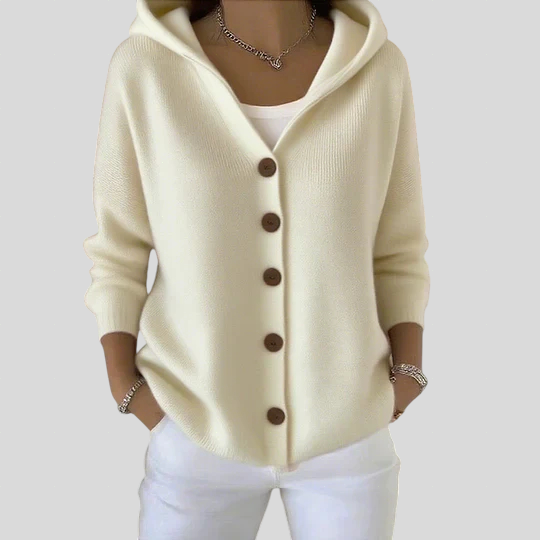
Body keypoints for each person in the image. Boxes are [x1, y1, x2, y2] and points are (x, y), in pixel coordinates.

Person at [83, 0, 430, 538]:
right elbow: (119, 248)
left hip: (347, 438)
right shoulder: (146, 67)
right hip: (195, 427)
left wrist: (407, 374)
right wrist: (126, 388)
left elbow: (397, 247)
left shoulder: (376, 68)